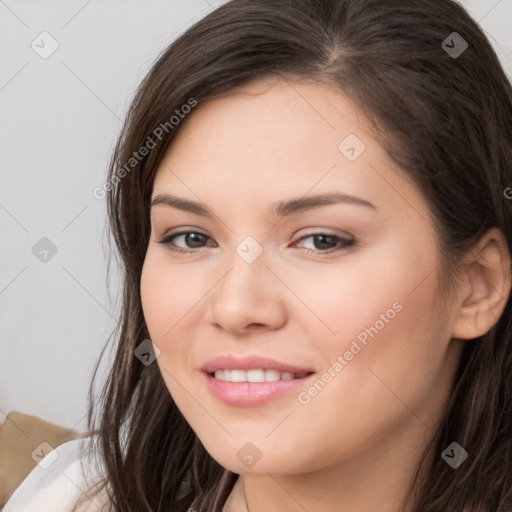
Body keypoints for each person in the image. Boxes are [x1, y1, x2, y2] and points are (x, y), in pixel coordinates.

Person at [4, 0, 512, 511]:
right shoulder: (68, 499)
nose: (236, 307)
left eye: (321, 240)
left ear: (477, 284)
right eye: (191, 238)